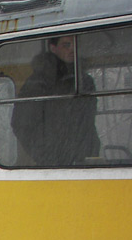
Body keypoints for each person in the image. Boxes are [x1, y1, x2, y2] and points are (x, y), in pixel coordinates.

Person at [11, 34, 100, 166]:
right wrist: (47, 156)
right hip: (53, 162)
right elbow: (22, 123)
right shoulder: (38, 82)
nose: (72, 49)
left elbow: (86, 121)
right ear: (53, 48)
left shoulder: (85, 80)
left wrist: (91, 149)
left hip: (85, 158)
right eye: (66, 45)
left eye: (75, 45)